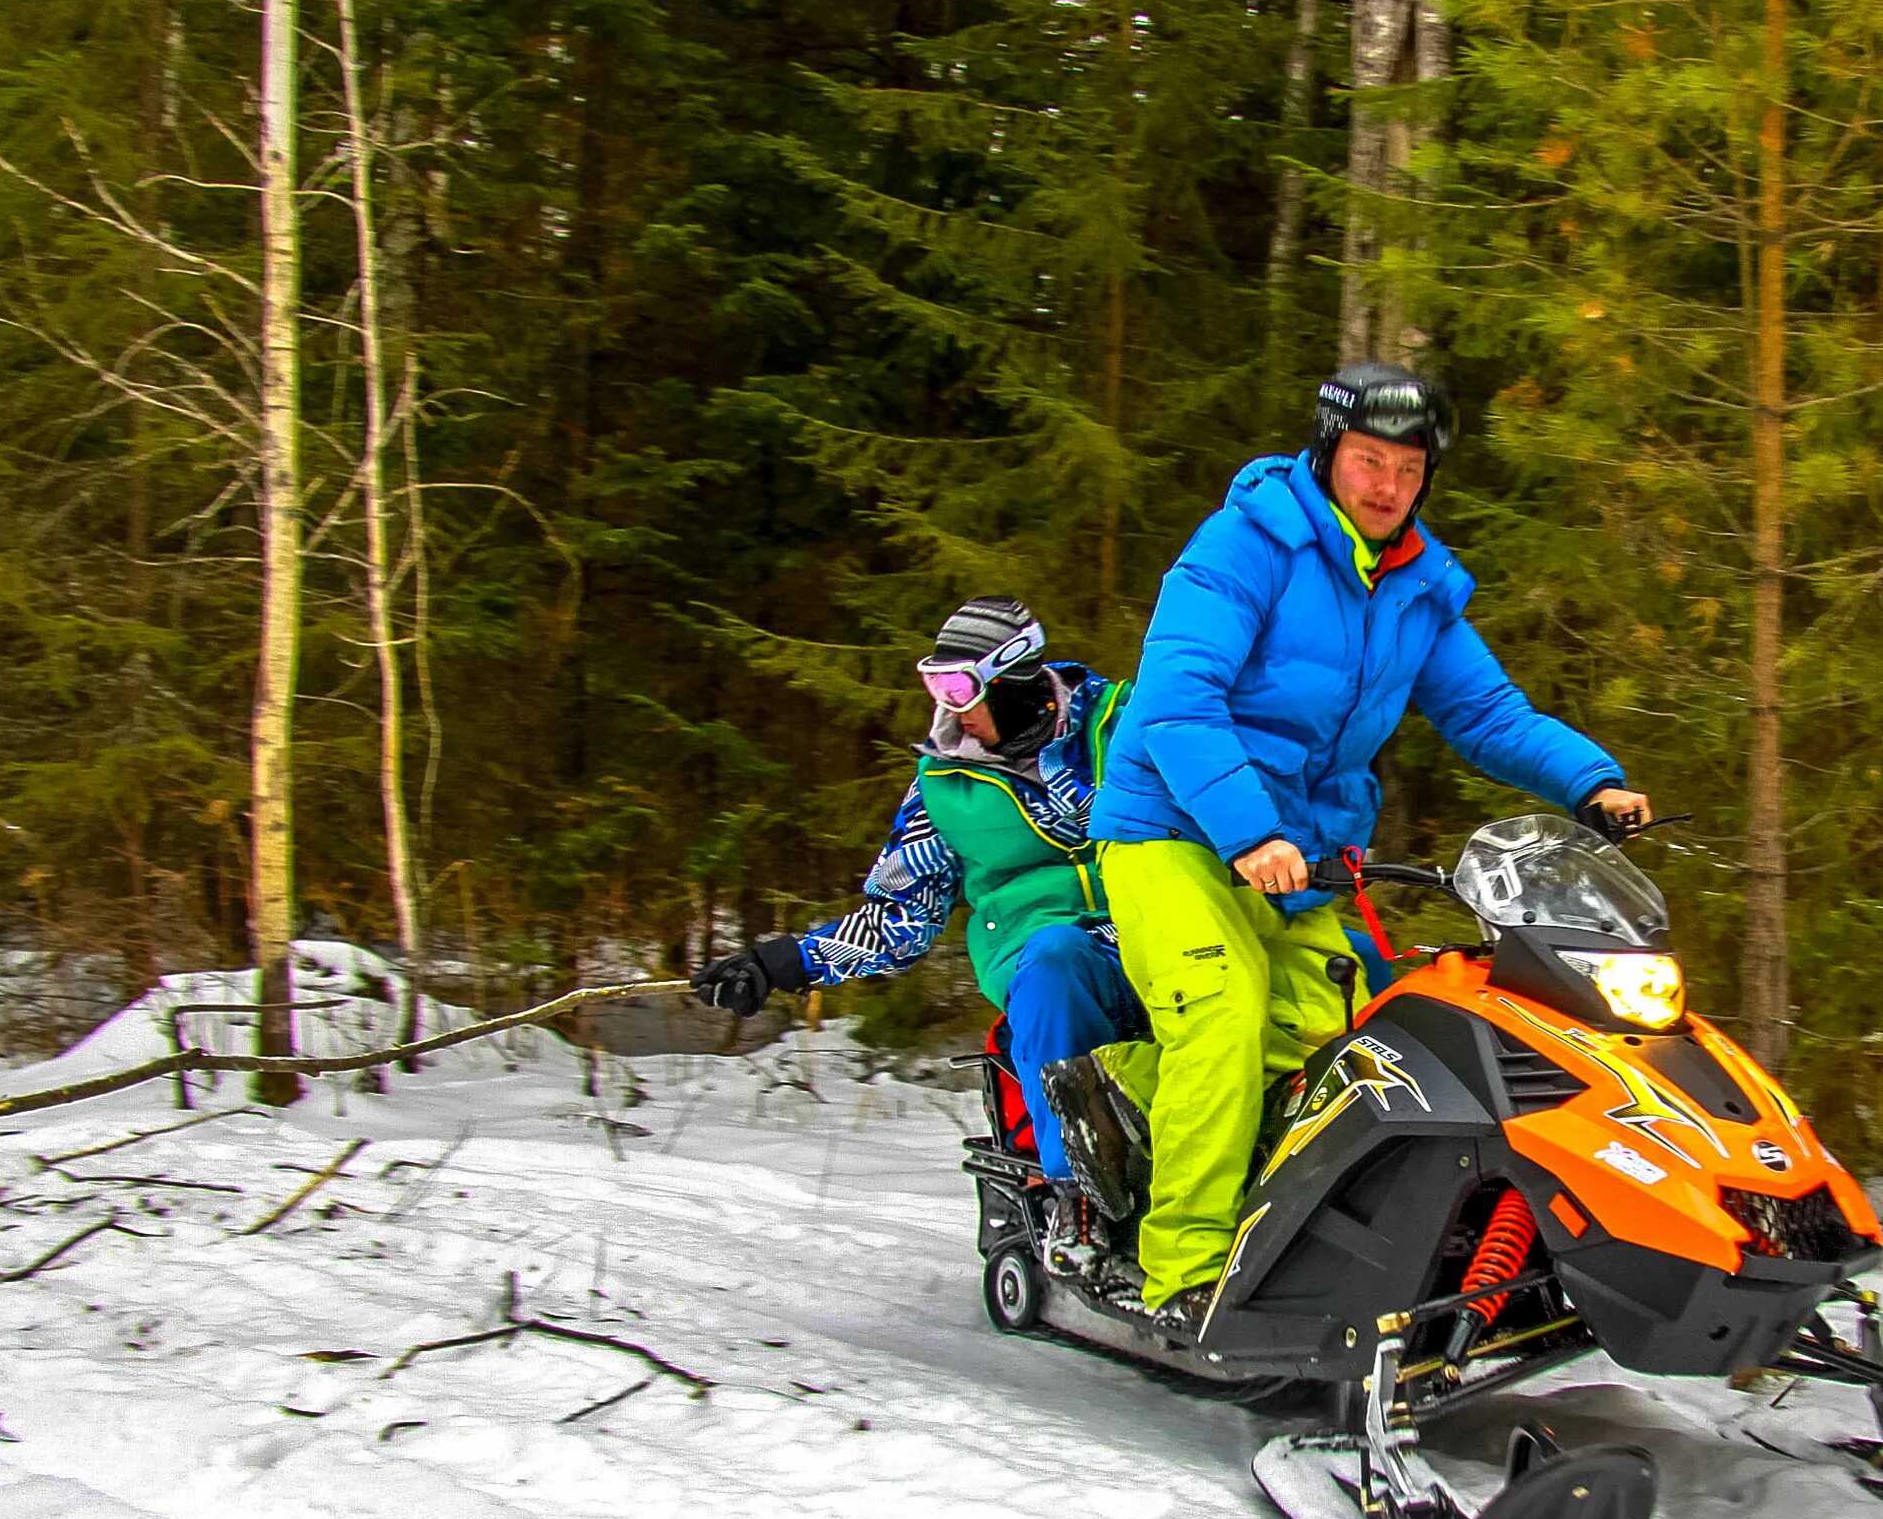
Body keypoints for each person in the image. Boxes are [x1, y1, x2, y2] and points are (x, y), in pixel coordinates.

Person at [1086, 364, 1651, 1331]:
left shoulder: (1417, 589)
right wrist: (1249, 829)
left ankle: (1192, 1165)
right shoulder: (1244, 545)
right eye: (1367, 460)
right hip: (1174, 829)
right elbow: (1178, 699)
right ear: (1328, 453)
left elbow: (1483, 710)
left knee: (1334, 1053)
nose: (1387, 485)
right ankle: (1181, 1272)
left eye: (1408, 467)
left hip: (1300, 857)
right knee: (1221, 1017)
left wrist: (1589, 781)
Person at [694, 597, 1142, 1187]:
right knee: (1056, 958)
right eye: (935, 685)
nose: (948, 707)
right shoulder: (944, 785)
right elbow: (900, 917)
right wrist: (785, 962)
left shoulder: (1122, 724)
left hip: (1163, 930)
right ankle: (1076, 1197)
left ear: (1014, 677)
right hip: (1050, 960)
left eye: (958, 685)